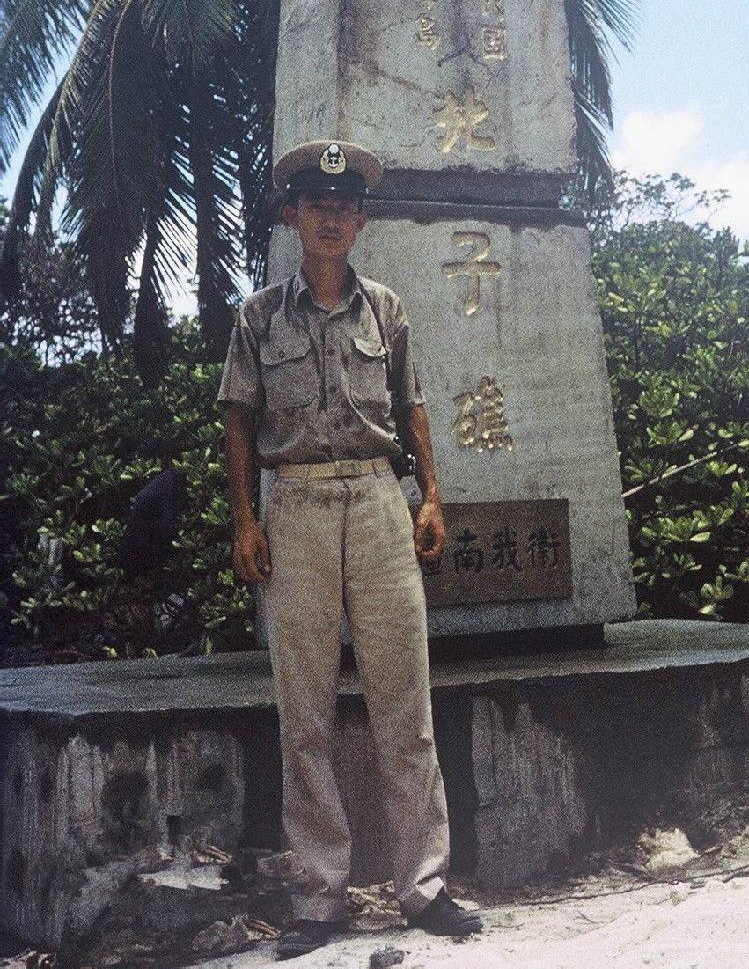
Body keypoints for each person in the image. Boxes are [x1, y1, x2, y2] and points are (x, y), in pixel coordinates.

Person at [218, 138, 482, 957]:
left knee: (405, 699)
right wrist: (245, 519)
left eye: (345, 207)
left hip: (375, 498)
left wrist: (430, 495)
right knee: (305, 712)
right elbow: (235, 418)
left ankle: (424, 886)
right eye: (316, 205)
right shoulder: (257, 316)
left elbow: (414, 408)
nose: (331, 218)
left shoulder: (387, 311)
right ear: (292, 215)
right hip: (293, 503)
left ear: (360, 220)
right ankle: (319, 898)